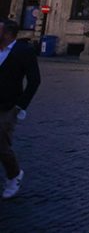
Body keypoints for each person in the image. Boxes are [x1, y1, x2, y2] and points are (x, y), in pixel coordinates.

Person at [0, 19, 41, 200]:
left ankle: (14, 174)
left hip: (8, 106)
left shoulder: (23, 51)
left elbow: (34, 81)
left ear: (7, 34)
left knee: (1, 145)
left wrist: (20, 107)